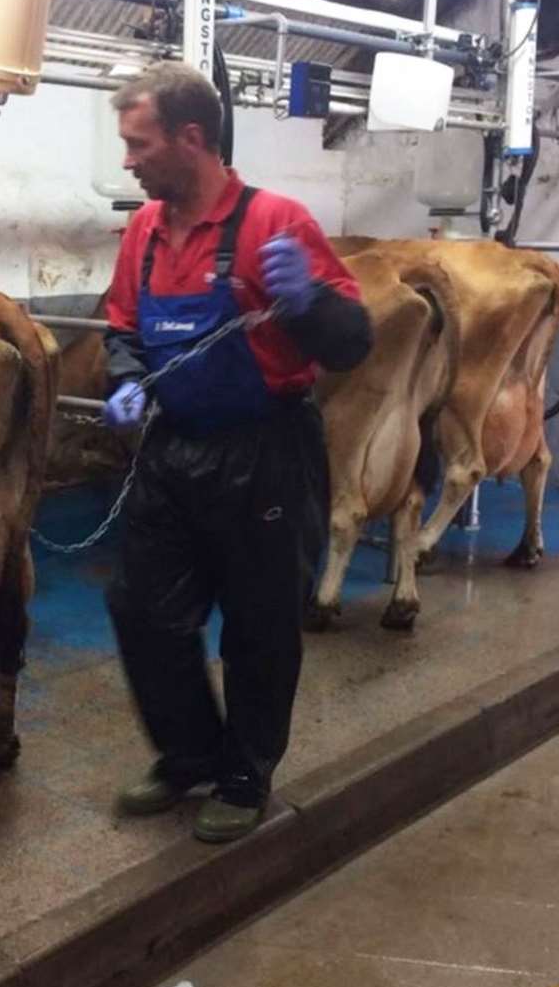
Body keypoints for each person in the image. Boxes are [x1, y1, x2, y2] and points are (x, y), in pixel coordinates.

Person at [102, 61, 372, 843]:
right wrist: (127, 377)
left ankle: (246, 773)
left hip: (266, 453)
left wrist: (308, 301)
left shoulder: (276, 222)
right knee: (141, 608)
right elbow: (123, 324)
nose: (128, 160)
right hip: (173, 449)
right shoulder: (145, 231)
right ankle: (187, 754)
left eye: (137, 143)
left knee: (260, 624)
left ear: (191, 137)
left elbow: (354, 343)